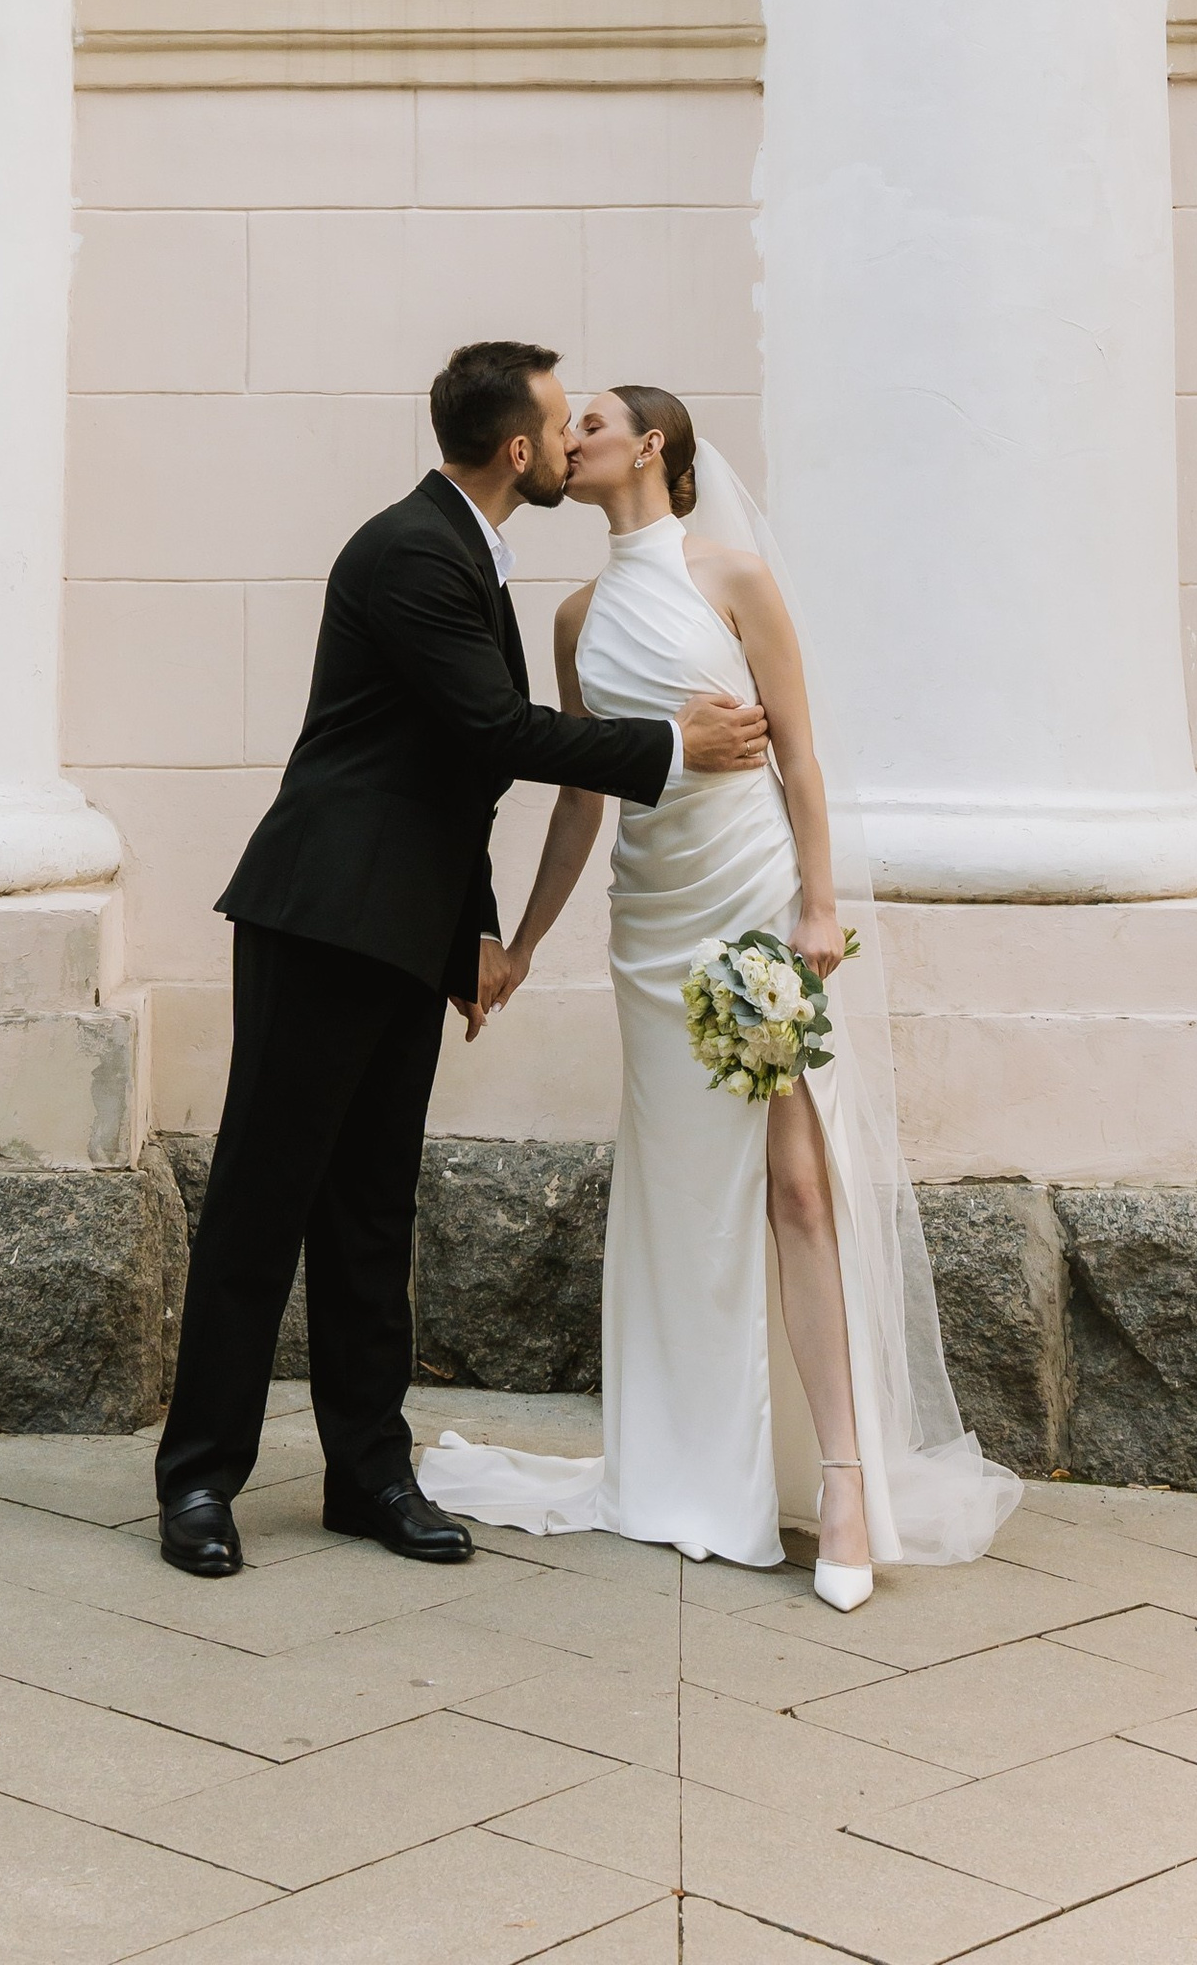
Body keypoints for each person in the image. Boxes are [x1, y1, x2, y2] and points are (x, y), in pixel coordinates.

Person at [153, 340, 777, 1583]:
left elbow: (456, 776)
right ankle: (198, 1481)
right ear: (516, 451)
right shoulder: (409, 551)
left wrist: (475, 937)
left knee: (375, 1206)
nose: (565, 444)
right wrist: (668, 743)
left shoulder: (469, 552)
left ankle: (368, 1474)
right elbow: (495, 730)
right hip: (322, 915)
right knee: (263, 1203)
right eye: (556, 427)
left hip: (399, 924)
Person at [425, 386, 1018, 1602]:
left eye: (591, 421)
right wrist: (526, 941)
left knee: (796, 1185)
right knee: (687, 1198)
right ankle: (697, 1462)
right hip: (647, 924)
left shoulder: (731, 577)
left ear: (650, 448)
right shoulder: (575, 614)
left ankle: (846, 1480)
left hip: (747, 901)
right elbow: (583, 793)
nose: (569, 438)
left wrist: (817, 905)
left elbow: (798, 751)